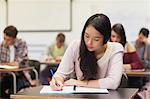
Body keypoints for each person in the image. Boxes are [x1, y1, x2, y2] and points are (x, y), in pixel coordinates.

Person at [50, 13, 124, 91]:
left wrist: (81, 83)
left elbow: (113, 82)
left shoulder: (116, 49)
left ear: (105, 38)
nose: (89, 42)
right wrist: (57, 81)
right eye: (87, 36)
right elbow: (60, 74)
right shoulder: (76, 46)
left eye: (96, 39)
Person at [0, 25, 34, 98]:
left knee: (16, 89)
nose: (5, 41)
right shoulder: (3, 44)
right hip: (5, 74)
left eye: (8, 39)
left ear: (14, 38)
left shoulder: (21, 43)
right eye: (4, 38)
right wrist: (8, 64)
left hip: (20, 75)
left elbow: (16, 64)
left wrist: (6, 64)